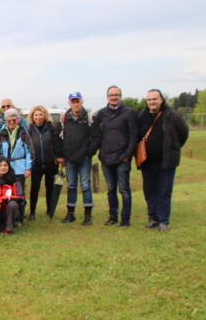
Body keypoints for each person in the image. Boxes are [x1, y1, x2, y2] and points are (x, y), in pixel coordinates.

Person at [138, 89, 188, 232]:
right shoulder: (142, 116)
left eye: (154, 99)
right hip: (147, 162)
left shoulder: (172, 115)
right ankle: (153, 217)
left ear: (161, 100)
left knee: (164, 191)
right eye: (149, 100)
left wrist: (173, 148)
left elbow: (183, 133)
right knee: (149, 191)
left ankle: (163, 220)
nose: (152, 102)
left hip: (166, 161)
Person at [93, 86, 138, 227]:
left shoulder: (129, 113)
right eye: (111, 95)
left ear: (121, 96)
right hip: (106, 158)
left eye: (116, 95)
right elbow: (95, 133)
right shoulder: (102, 113)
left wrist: (127, 155)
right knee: (111, 189)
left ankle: (125, 219)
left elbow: (134, 136)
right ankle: (113, 216)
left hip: (122, 158)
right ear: (107, 97)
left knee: (124, 189)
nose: (114, 97)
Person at [55, 92, 102, 225]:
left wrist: (89, 153)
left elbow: (96, 137)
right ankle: (70, 214)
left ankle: (88, 216)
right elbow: (57, 138)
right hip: (69, 159)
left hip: (84, 159)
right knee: (71, 186)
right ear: (69, 103)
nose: (75, 104)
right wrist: (61, 155)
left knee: (86, 186)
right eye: (73, 101)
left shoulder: (89, 117)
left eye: (77, 101)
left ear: (81, 101)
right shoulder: (63, 118)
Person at [0, 108, 32, 204]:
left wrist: (28, 168)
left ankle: (20, 216)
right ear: (5, 120)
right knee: (5, 192)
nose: (12, 122)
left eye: (14, 120)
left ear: (18, 119)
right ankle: (6, 215)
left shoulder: (24, 134)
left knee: (19, 192)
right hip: (4, 168)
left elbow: (29, 152)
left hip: (19, 168)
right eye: (9, 120)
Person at [27, 106, 60, 220]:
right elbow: (27, 147)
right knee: (34, 189)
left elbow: (56, 143)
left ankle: (50, 211)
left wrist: (57, 157)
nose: (38, 117)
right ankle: (32, 212)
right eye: (36, 115)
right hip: (36, 164)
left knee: (50, 188)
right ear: (32, 116)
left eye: (40, 114)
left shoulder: (51, 128)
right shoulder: (30, 129)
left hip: (51, 163)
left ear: (45, 115)